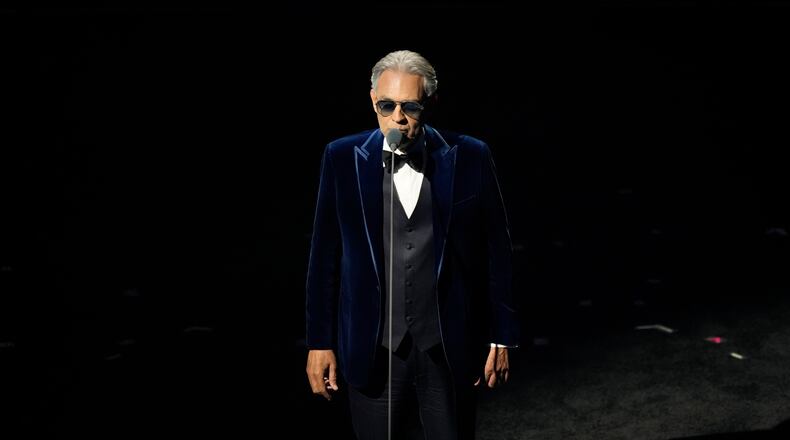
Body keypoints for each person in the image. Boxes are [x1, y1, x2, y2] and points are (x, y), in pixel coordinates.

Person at [305, 49, 518, 440]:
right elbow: (324, 258)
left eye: (410, 106)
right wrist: (319, 341)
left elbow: (497, 253)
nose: (397, 118)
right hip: (372, 346)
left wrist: (502, 334)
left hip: (447, 343)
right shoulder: (341, 158)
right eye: (387, 106)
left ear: (431, 103)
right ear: (373, 101)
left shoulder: (471, 155)